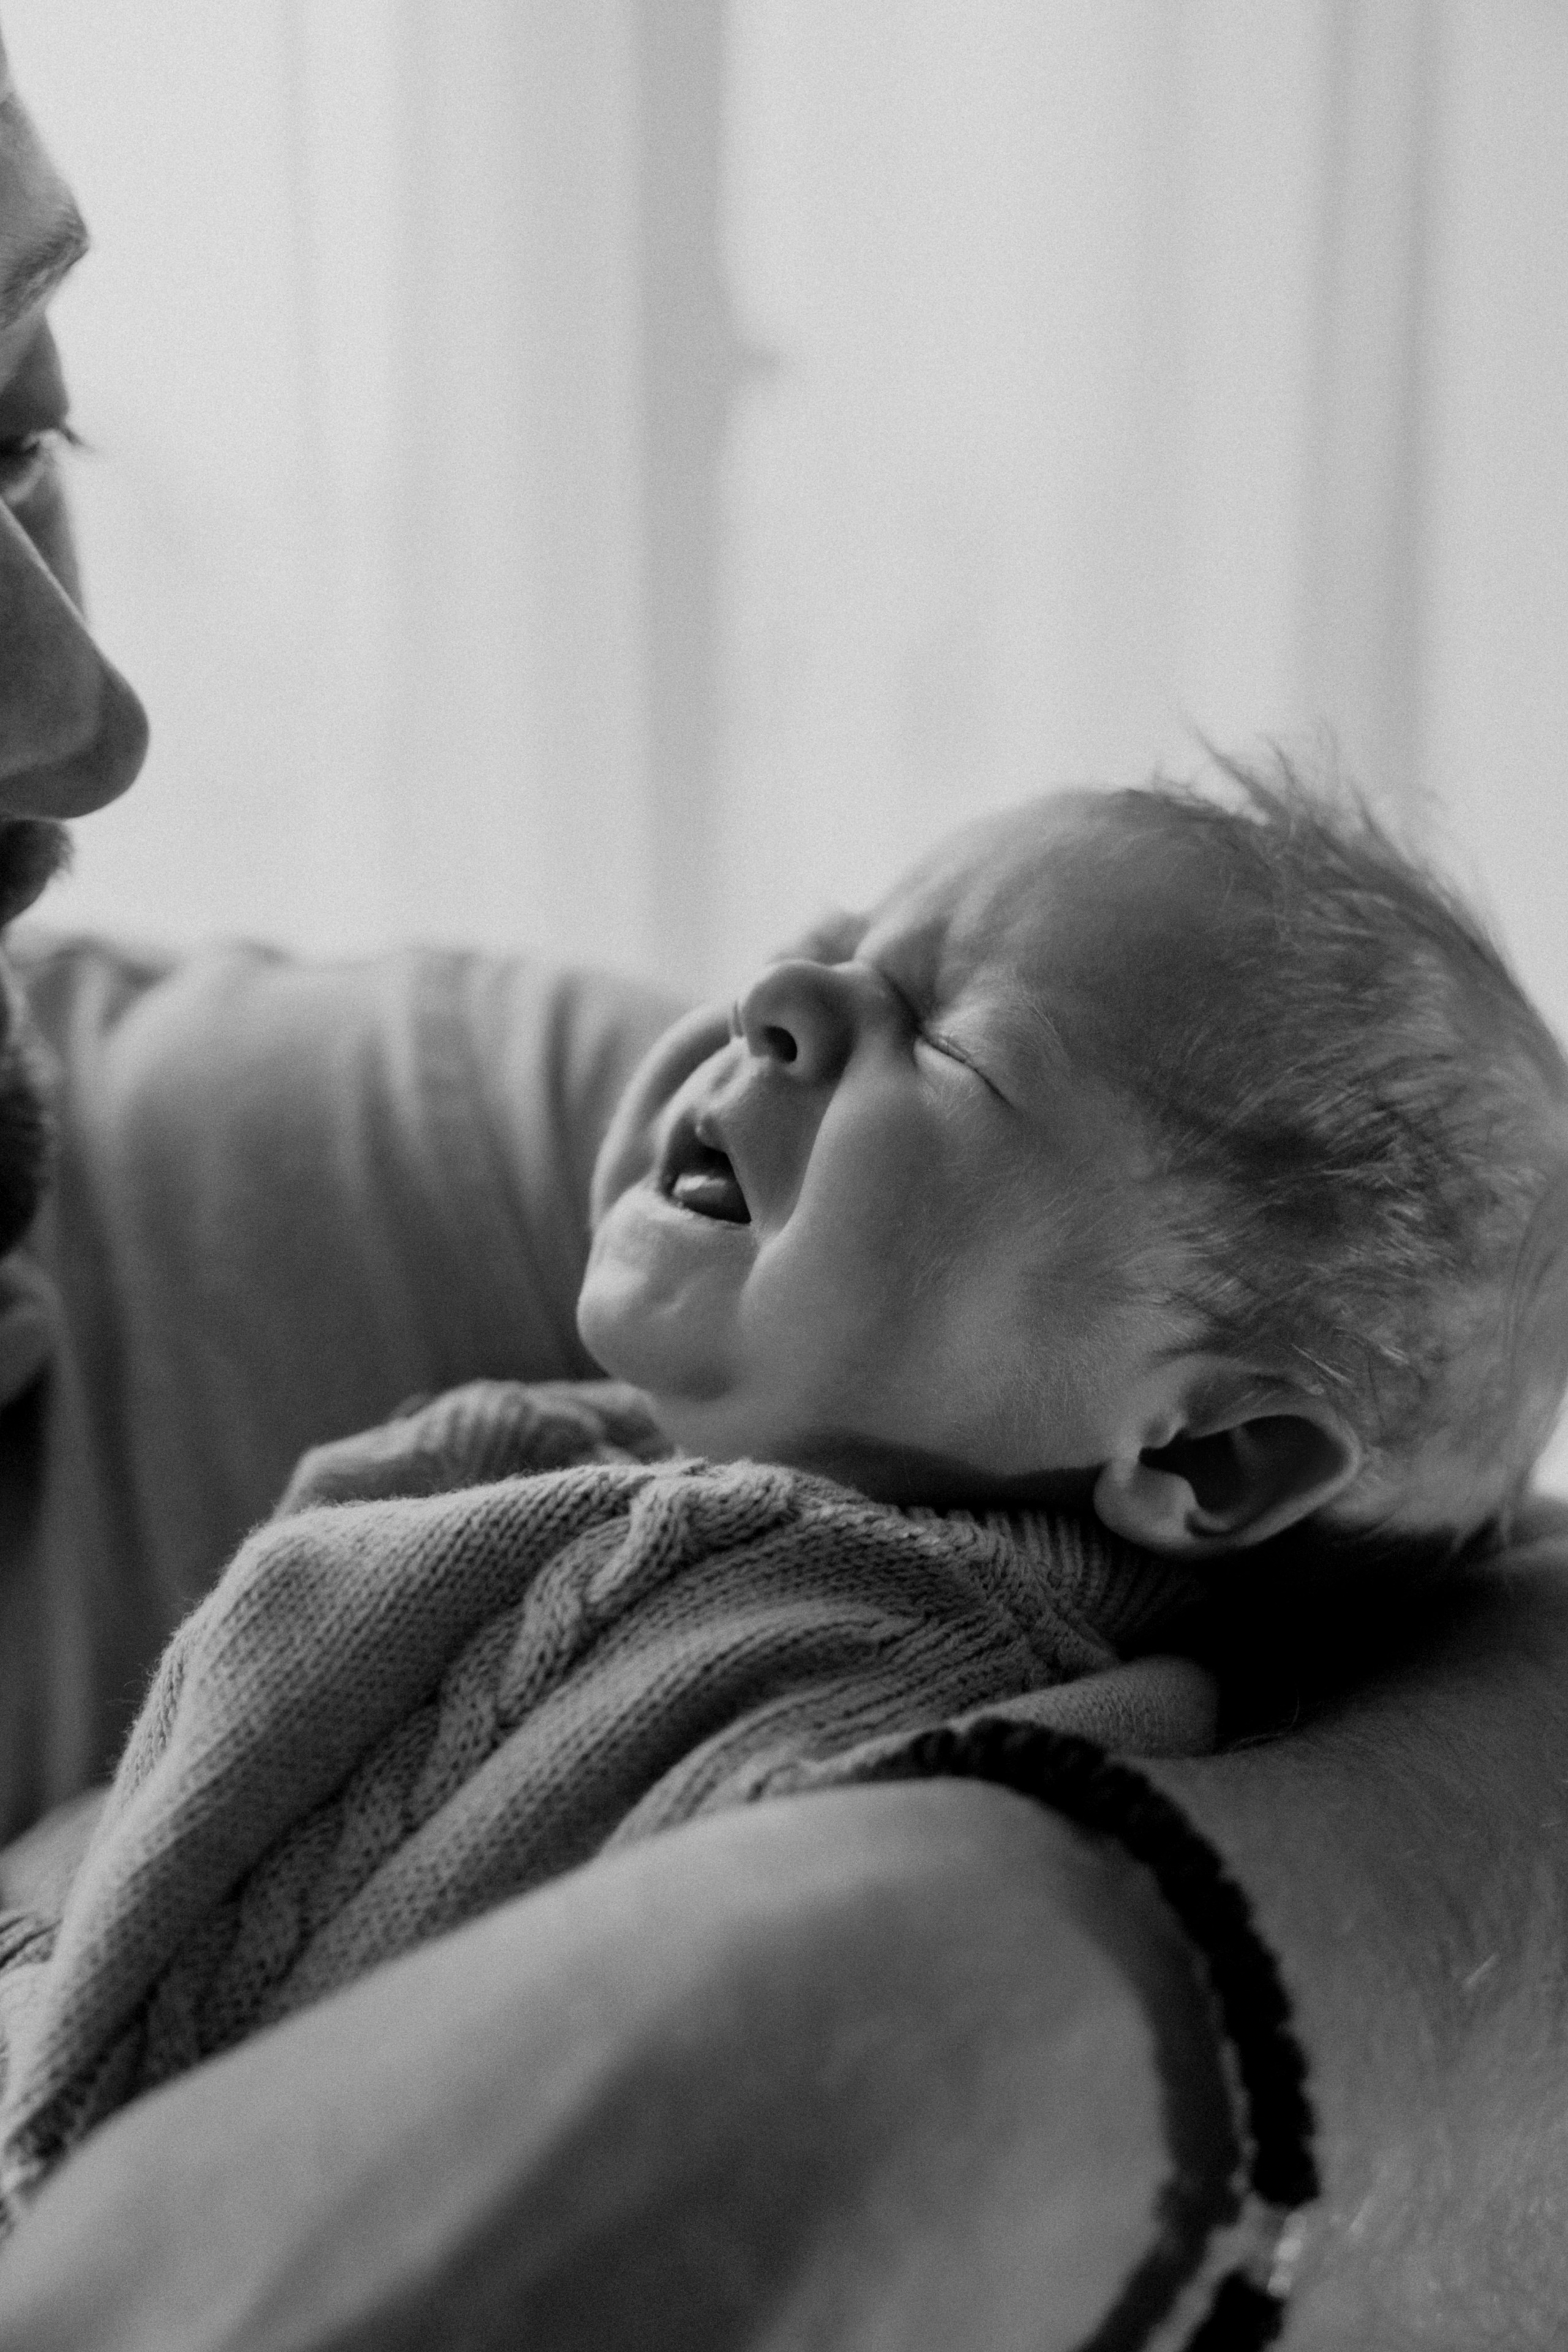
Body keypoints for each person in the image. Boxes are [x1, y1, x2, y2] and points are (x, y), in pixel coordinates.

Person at [0, 23, 1565, 2346]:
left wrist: (928, 2005)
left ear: (1215, 1448)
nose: (85, 717)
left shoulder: (867, 1661)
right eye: (830, 963)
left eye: (26, 427)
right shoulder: (583, 1506)